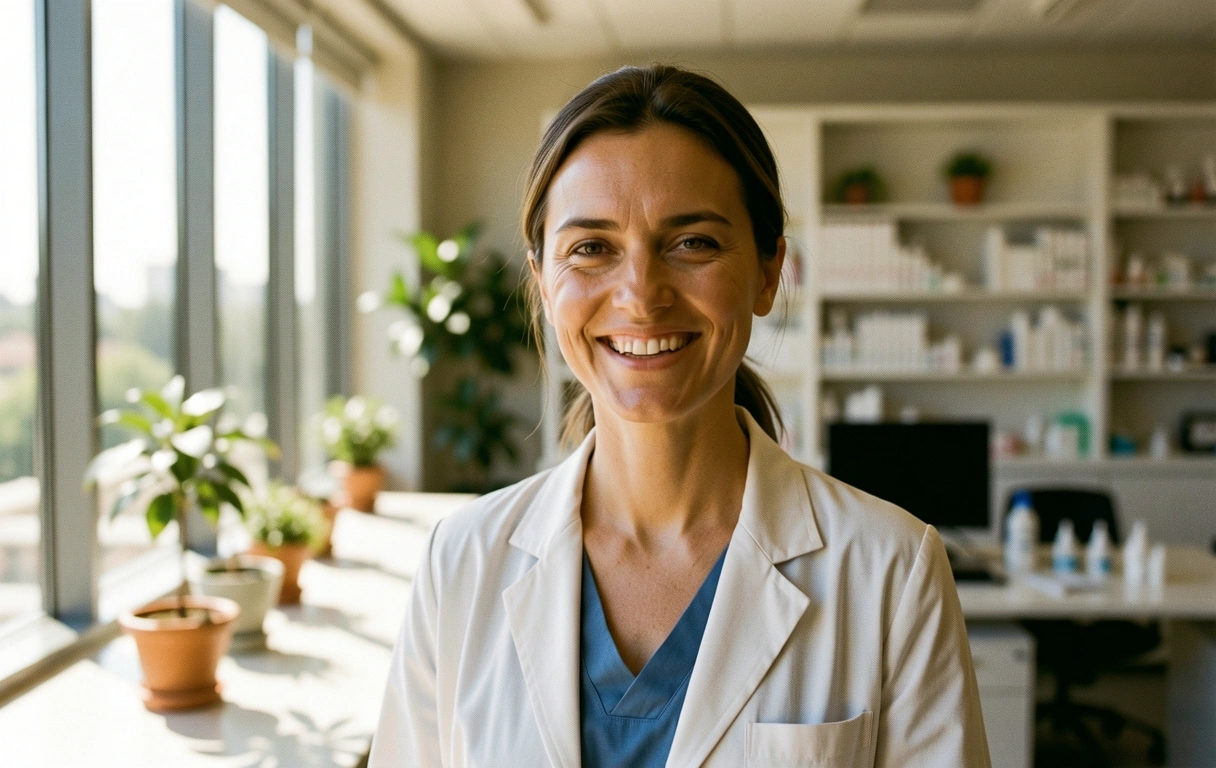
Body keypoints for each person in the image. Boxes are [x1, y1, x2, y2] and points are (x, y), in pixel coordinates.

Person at [369, 64, 990, 768]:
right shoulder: (462, 563)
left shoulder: (890, 571)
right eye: (592, 248)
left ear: (767, 270)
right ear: (542, 283)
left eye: (691, 242)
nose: (641, 294)